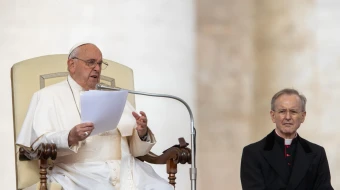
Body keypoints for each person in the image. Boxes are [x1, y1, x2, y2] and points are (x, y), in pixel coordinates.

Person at [16, 42, 173, 190]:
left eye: (99, 63)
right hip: (80, 174)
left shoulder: (113, 95)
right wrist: (69, 137)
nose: (97, 68)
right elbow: (38, 143)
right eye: (91, 62)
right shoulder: (48, 96)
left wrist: (141, 132)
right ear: (72, 65)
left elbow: (136, 150)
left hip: (130, 170)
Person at [240, 88, 333, 190]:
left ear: (302, 116)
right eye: (282, 111)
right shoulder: (253, 153)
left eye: (293, 111)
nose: (288, 117)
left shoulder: (317, 153)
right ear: (273, 115)